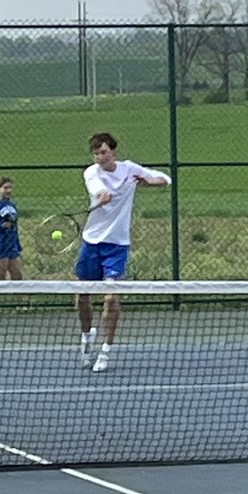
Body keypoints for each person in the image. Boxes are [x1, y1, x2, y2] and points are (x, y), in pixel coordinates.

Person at [75, 132, 171, 372]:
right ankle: (87, 338)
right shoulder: (91, 173)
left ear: (114, 152)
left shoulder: (129, 169)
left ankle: (106, 351)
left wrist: (151, 182)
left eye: (104, 152)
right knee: (82, 296)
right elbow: (98, 189)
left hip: (117, 245)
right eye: (96, 153)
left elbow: (164, 178)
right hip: (92, 242)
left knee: (111, 298)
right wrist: (102, 196)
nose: (100, 157)